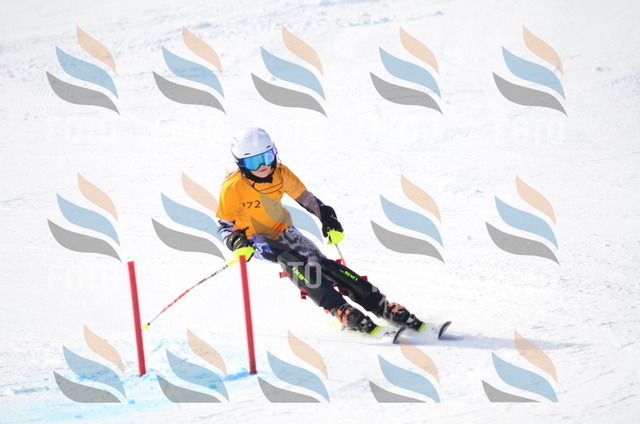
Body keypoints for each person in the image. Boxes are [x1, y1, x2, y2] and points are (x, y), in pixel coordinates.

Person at [216, 127, 428, 335]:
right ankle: (340, 309)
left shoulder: (281, 173)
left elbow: (306, 198)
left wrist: (327, 216)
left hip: (282, 228)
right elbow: (224, 225)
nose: (263, 166)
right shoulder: (233, 187)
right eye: (253, 162)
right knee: (291, 260)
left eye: (267, 157)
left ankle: (380, 305)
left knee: (320, 263)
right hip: (254, 239)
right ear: (241, 164)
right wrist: (236, 242)